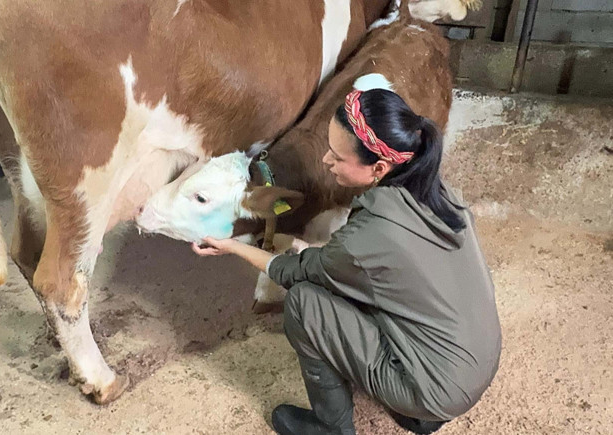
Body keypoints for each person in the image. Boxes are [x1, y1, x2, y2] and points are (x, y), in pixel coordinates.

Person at [192, 89, 501, 435]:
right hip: (477, 364)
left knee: (304, 304)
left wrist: (233, 246)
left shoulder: (368, 236)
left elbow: (292, 272)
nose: (326, 161)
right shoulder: (438, 192)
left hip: (437, 389)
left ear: (379, 168)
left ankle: (332, 427)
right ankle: (421, 414)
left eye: (338, 157)